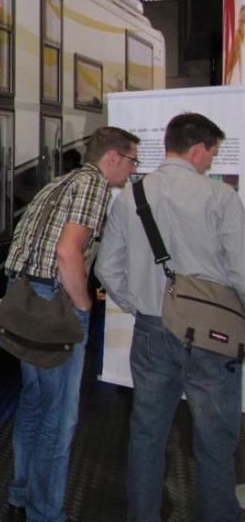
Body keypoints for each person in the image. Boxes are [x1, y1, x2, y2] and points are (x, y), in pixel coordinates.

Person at [96, 113, 245, 522]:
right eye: (211, 154)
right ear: (197, 150)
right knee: (215, 439)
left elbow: (107, 268)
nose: (211, 162)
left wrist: (139, 303)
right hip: (211, 336)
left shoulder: (131, 195)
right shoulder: (221, 198)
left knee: (146, 434)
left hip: (151, 328)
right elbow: (242, 273)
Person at [4, 126, 140, 522]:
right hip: (53, 304)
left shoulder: (58, 183)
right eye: (132, 161)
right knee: (60, 415)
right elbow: (68, 253)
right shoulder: (94, 186)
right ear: (112, 157)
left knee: (34, 400)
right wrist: (82, 305)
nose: (133, 170)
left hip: (22, 299)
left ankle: (21, 493)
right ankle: (46, 512)